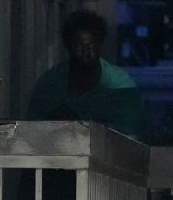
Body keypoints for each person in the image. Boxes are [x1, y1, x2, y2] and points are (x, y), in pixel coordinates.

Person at [25, 8, 147, 142]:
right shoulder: (50, 83)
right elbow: (30, 134)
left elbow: (133, 139)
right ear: (68, 46)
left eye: (92, 45)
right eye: (79, 45)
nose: (87, 51)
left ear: (100, 44)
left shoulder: (120, 85)